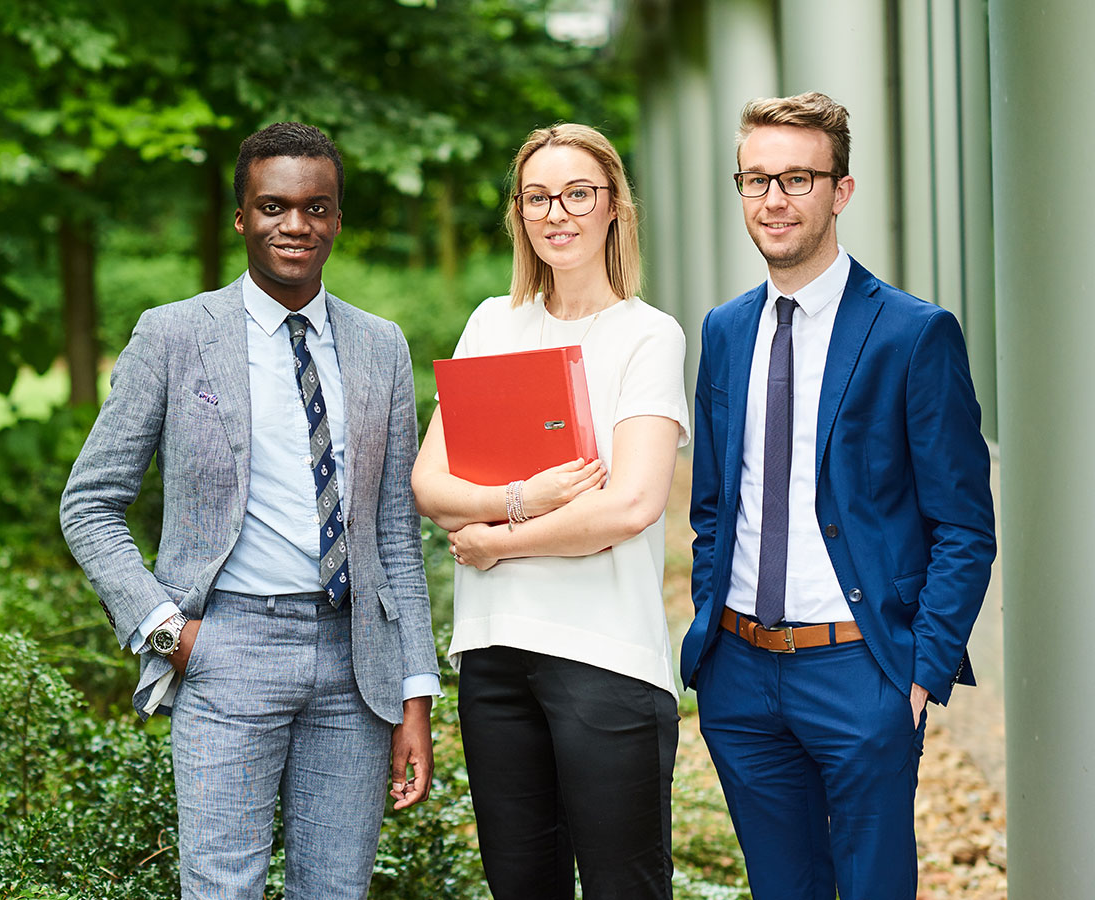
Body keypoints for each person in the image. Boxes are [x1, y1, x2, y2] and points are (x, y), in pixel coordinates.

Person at [59, 121, 439, 900]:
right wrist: (168, 632)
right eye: (273, 206)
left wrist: (415, 693)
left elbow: (395, 535)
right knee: (221, 890)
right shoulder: (172, 336)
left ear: (336, 218)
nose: (294, 225)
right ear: (241, 218)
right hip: (226, 649)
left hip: (354, 666)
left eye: (316, 207)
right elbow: (90, 502)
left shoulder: (381, 347)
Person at [680, 92, 996, 900]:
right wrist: (709, 641)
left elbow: (963, 524)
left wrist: (918, 673)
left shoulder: (913, 334)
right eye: (756, 180)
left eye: (797, 178)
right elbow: (715, 505)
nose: (774, 200)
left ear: (840, 191)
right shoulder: (725, 329)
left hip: (862, 668)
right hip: (741, 674)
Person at [412, 123, 689, 899]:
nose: (556, 212)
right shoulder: (490, 325)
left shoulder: (647, 336)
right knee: (520, 884)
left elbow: (629, 503)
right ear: (518, 214)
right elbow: (429, 485)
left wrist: (496, 541)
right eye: (537, 197)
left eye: (577, 193)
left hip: (605, 658)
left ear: (613, 208)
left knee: (622, 886)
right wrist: (525, 501)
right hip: (494, 654)